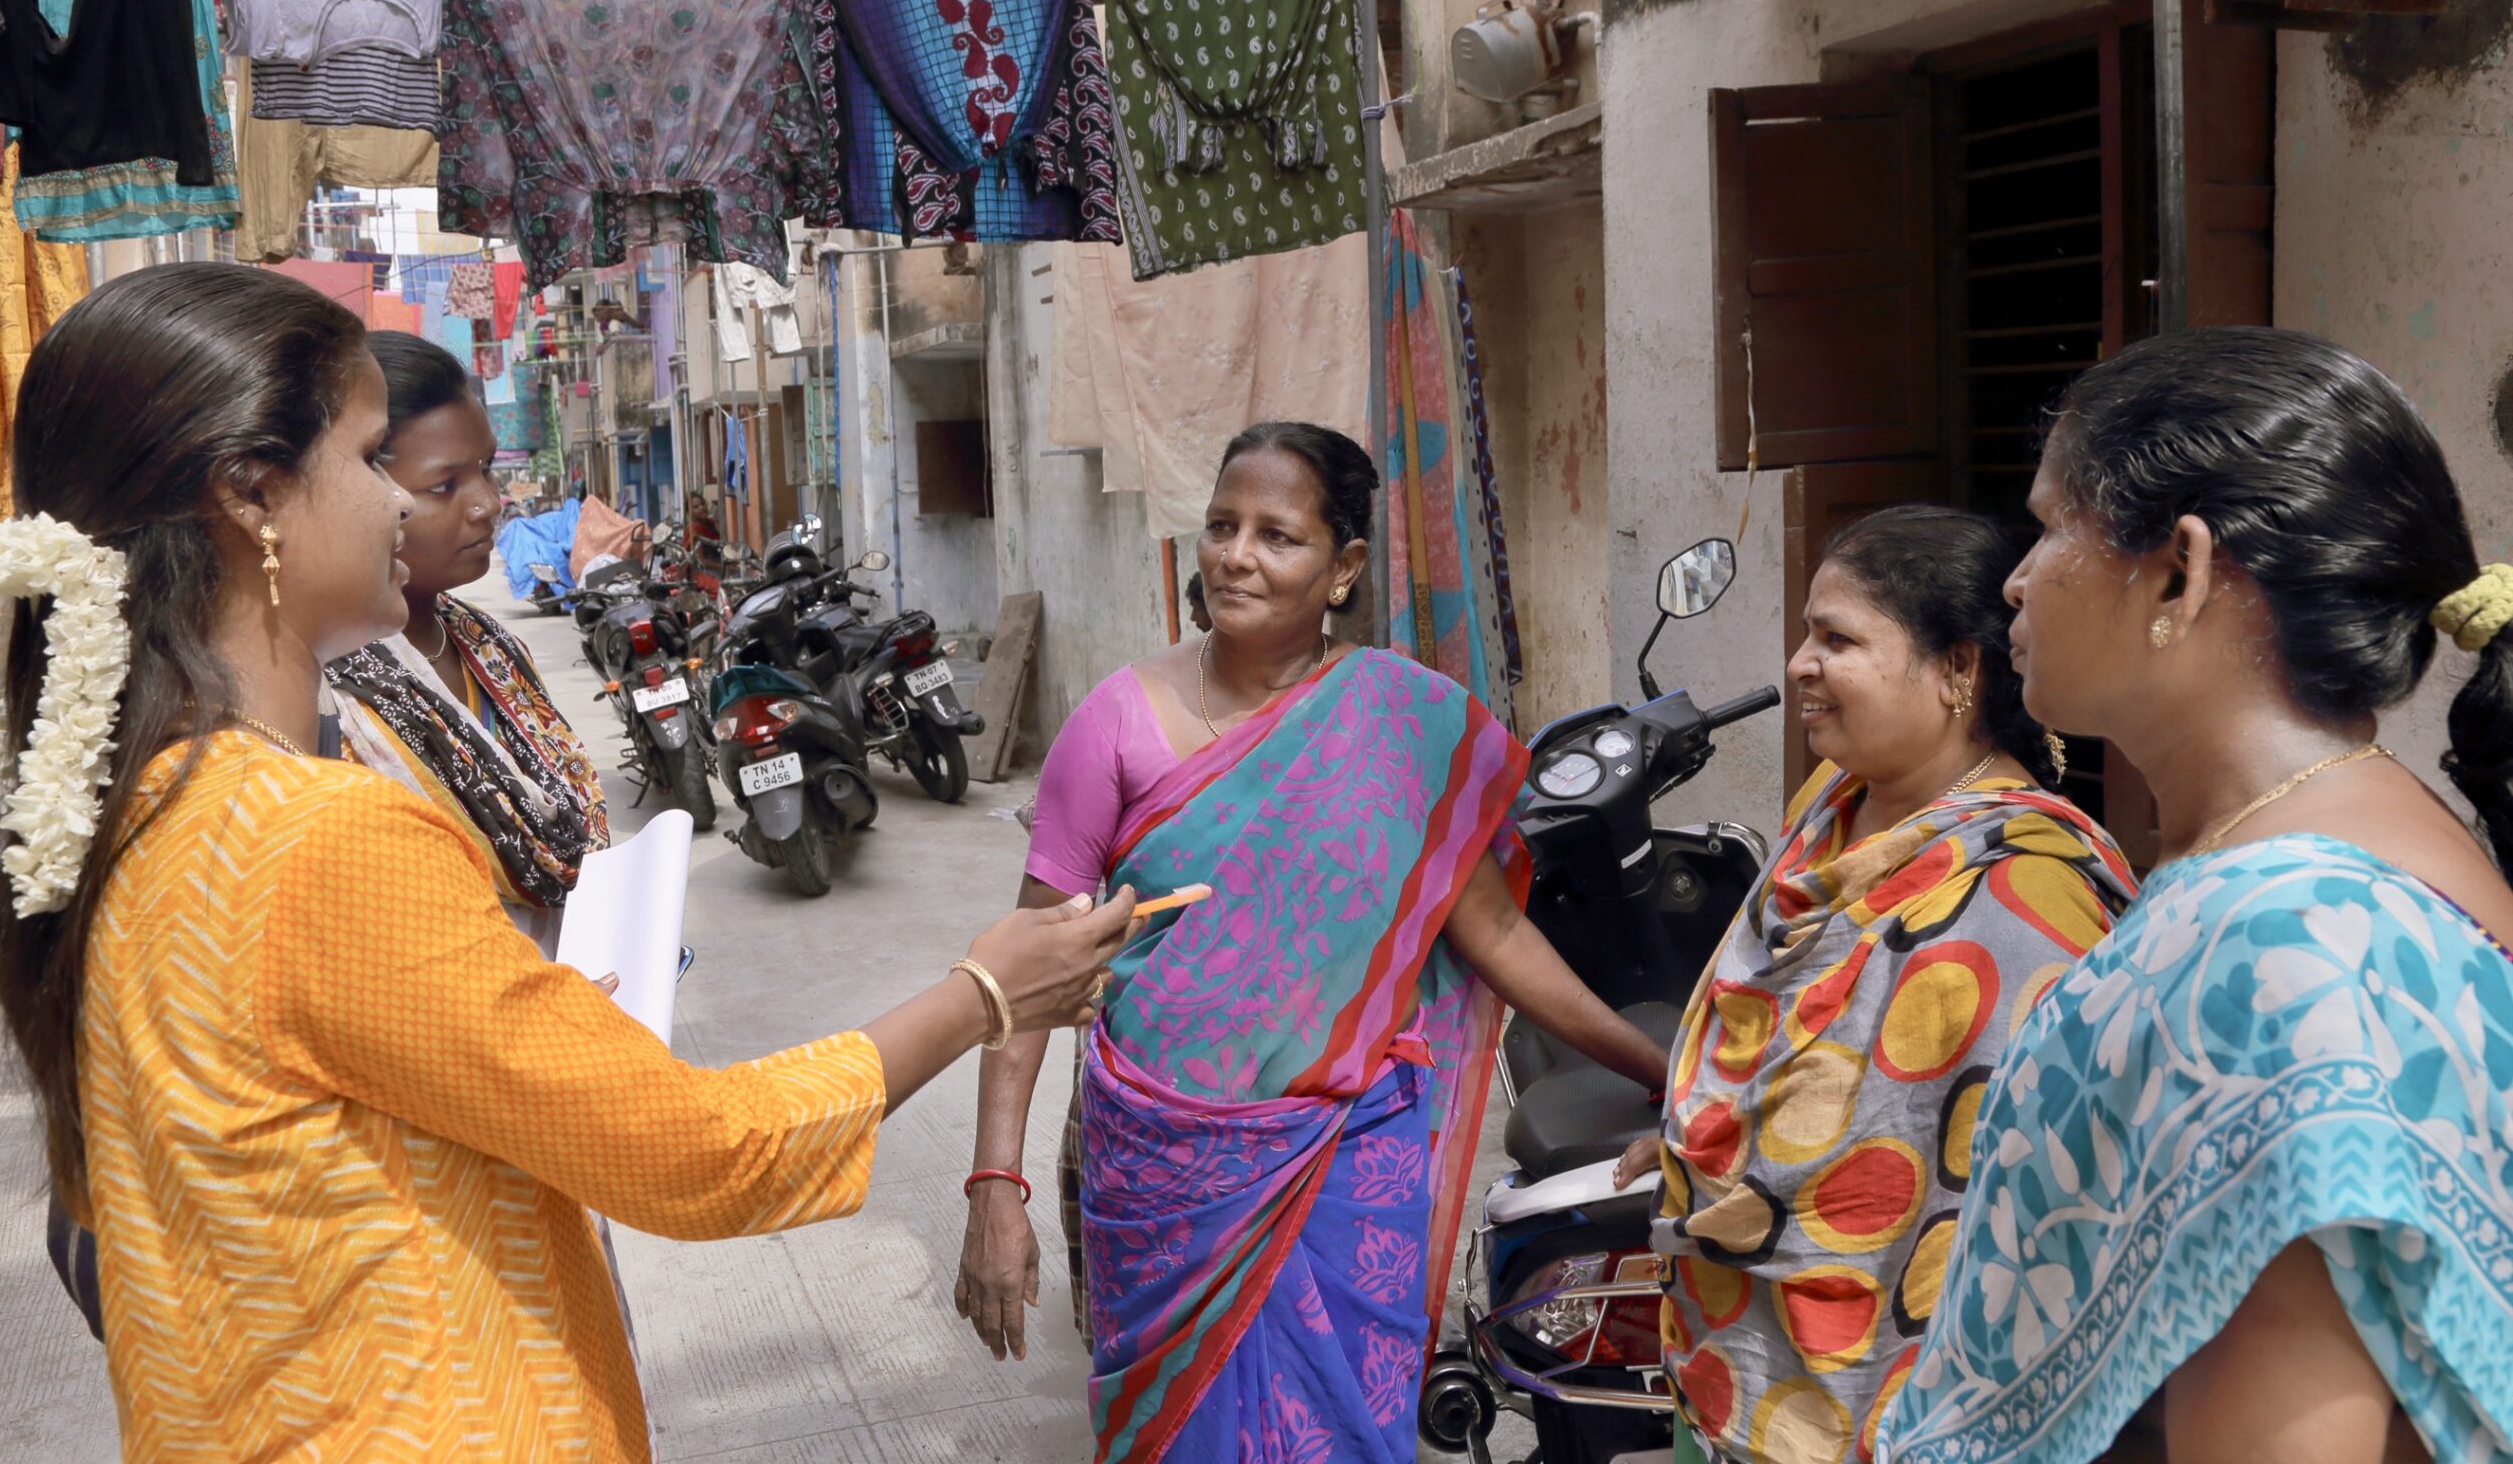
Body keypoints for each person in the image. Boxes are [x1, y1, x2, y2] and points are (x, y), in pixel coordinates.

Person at [0, 264, 1139, 1462]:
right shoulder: (313, 837)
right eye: (374, 462)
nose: (404, 509)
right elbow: (701, 1153)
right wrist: (985, 993)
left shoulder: (146, 805)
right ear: (254, 497)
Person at [955, 420, 1678, 1463]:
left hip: (1345, 1156)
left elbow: (1496, 933)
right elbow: (1024, 978)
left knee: (1337, 1428)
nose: (1236, 555)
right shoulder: (1112, 723)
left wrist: (1663, 1067)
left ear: (1342, 568)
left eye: (1276, 535)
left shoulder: (1404, 723)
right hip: (1161, 1164)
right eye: (1220, 525)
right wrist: (994, 1188)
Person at [1878, 328, 2513, 1464]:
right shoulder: (2350, 857)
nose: (2015, 578)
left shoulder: (2273, 941)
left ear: (2181, 569)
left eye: (2051, 525)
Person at [1612, 505, 2137, 1464]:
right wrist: (1700, 1148)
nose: (1799, 665)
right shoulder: (1833, 805)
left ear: (1958, 669)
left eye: (1837, 638)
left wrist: (1752, 1175)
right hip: (1735, 1347)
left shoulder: (2026, 887)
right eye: (1807, 633)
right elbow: (1787, 1041)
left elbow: (2013, 1183)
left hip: (1896, 1382)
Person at [327, 330, 605, 956]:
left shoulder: (489, 645)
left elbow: (571, 813)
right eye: (443, 485)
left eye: (484, 469)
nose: (487, 504)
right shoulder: (327, 691)